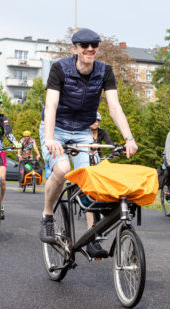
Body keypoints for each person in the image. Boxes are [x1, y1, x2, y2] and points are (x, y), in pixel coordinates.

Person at [39, 28, 138, 258]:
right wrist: (51, 138)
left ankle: (91, 235)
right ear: (75, 49)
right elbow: (51, 105)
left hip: (82, 129)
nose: (90, 49)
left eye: (94, 45)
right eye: (84, 45)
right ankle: (47, 216)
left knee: (89, 178)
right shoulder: (60, 69)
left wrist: (129, 137)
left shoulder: (105, 72)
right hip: (56, 127)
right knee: (63, 169)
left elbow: (114, 107)